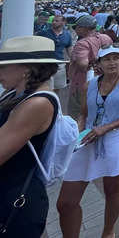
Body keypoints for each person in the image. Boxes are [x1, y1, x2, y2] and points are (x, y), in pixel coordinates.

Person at [58, 45, 119, 238]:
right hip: (89, 137)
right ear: (99, 63)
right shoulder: (91, 84)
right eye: (107, 59)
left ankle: (108, 230)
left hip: (116, 137)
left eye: (117, 58)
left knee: (112, 187)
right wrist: (77, 133)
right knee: (66, 201)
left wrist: (106, 128)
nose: (113, 62)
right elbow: (84, 113)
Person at [0, 36, 62, 237]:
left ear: (26, 68)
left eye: (4, 66)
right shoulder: (15, 94)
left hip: (14, 198)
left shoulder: (38, 103)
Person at [68, 15, 113, 120]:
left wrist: (93, 63)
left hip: (83, 83)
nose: (75, 30)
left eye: (77, 27)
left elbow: (83, 64)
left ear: (85, 28)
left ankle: (80, 135)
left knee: (78, 115)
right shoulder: (106, 38)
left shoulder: (82, 44)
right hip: (106, 81)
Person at [39, 13, 73, 93]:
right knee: (45, 88)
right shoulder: (44, 33)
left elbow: (69, 48)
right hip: (46, 65)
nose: (53, 22)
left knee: (57, 88)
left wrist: (72, 60)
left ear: (63, 22)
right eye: (53, 20)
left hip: (60, 65)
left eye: (56, 21)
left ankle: (54, 103)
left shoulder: (67, 34)